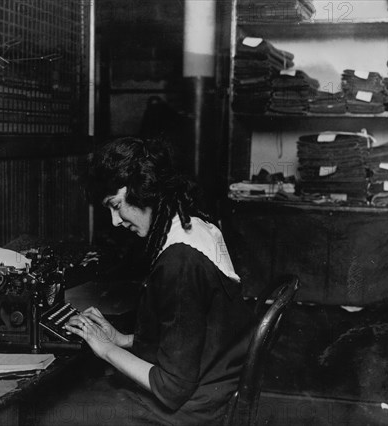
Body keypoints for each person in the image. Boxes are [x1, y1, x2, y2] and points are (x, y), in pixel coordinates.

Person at [61, 136, 255, 425]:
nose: (115, 221)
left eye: (116, 205)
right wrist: (123, 339)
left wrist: (106, 349)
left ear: (143, 191)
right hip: (211, 390)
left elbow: (171, 388)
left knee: (54, 410)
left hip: (192, 410)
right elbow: (191, 335)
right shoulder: (195, 226)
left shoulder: (179, 262)